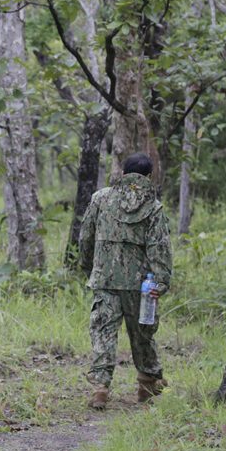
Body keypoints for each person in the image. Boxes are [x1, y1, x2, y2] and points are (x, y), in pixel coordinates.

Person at [78, 153, 173, 410]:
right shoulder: (153, 208)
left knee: (103, 332)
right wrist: (161, 282)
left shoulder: (101, 199)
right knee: (142, 333)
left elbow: (85, 237)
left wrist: (89, 267)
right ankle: (147, 383)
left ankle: (100, 387)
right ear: (149, 176)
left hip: (105, 279)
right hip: (141, 284)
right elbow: (159, 248)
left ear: (123, 172)